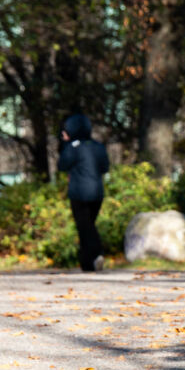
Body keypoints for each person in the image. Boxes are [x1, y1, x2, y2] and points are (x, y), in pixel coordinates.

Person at [58, 113, 110, 272]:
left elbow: (62, 165)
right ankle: (87, 264)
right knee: (88, 225)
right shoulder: (98, 146)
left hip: (79, 193)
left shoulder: (73, 147)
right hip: (97, 193)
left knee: (85, 227)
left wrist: (66, 144)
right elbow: (105, 167)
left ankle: (96, 255)